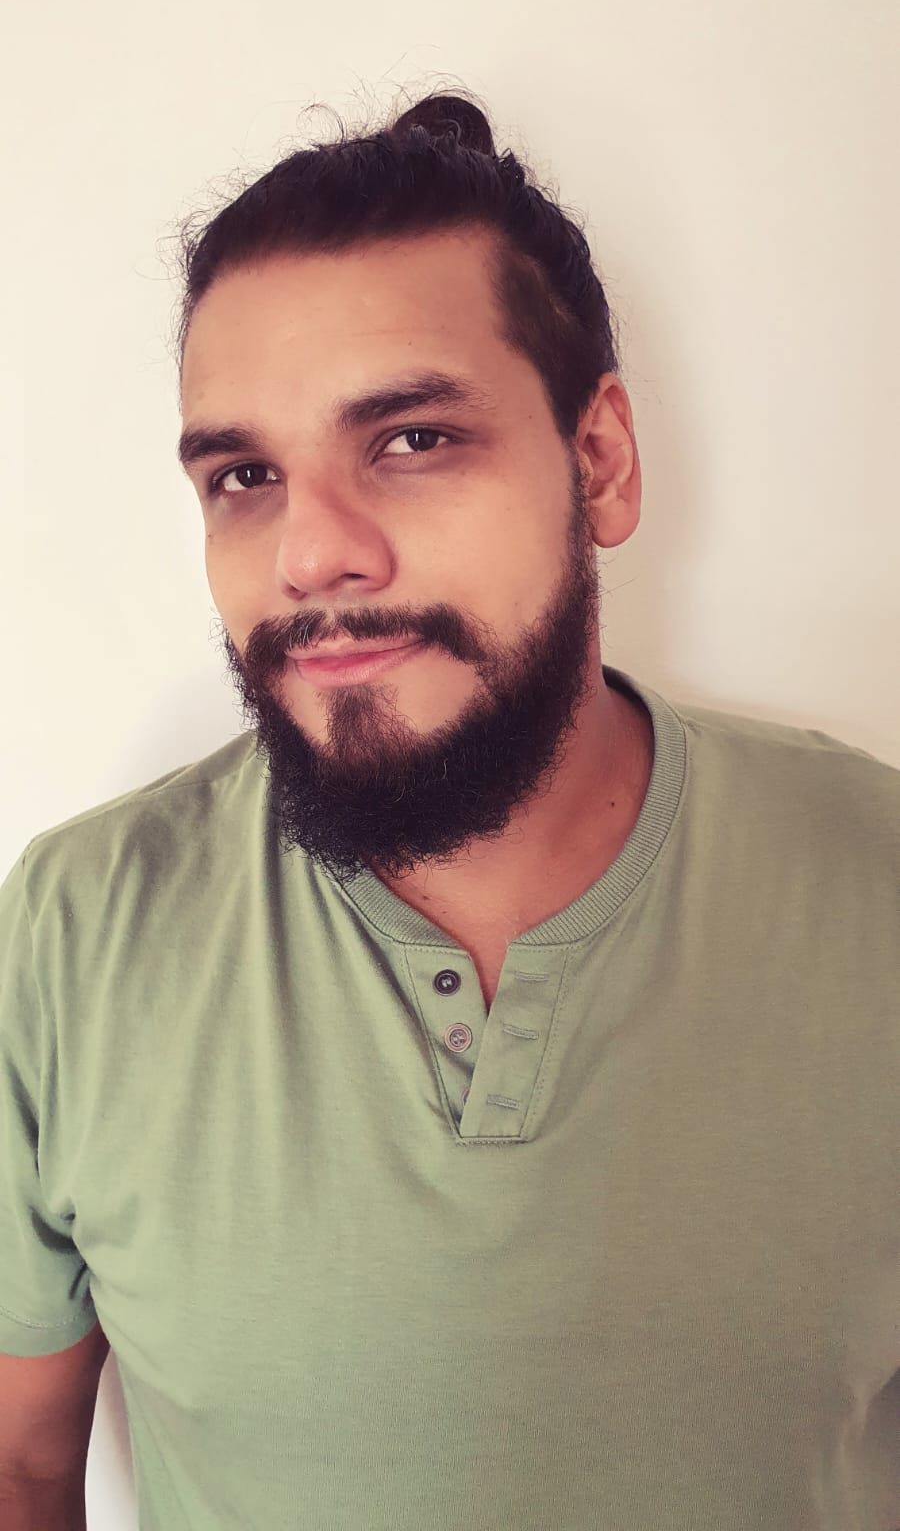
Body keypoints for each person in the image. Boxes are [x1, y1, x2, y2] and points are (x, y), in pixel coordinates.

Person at [1, 92, 898, 1531]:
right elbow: (21, 1464)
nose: (310, 553)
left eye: (412, 439)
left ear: (599, 462)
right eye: (244, 476)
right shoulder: (73, 932)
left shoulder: (874, 886)